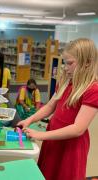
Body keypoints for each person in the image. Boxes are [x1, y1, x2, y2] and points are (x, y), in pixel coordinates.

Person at [17, 38, 98, 180]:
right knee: (48, 173)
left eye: (70, 63)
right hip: (53, 137)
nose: (65, 68)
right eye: (64, 63)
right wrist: (29, 119)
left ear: (87, 63)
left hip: (71, 145)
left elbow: (78, 128)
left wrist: (40, 135)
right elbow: (49, 106)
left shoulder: (92, 89)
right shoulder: (65, 82)